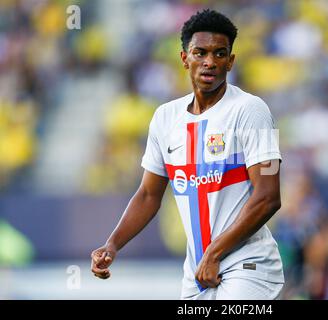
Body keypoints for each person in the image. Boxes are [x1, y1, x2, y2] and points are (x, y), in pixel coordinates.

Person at [90, 9, 284, 300]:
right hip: (196, 273)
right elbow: (147, 195)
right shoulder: (165, 118)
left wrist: (215, 251)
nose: (210, 62)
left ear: (231, 62)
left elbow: (269, 196)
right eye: (200, 52)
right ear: (184, 58)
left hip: (248, 266)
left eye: (220, 54)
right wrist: (113, 244)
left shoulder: (252, 110)